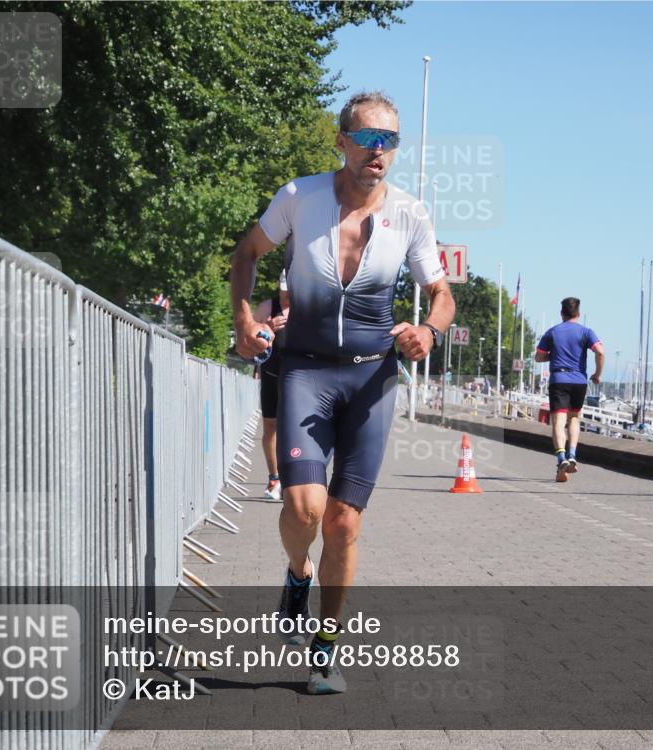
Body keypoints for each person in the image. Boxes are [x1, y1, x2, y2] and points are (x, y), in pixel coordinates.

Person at [230, 90, 454, 694]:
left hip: (371, 379)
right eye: (369, 139)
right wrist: (244, 321)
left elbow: (442, 294)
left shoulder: (409, 213)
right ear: (343, 141)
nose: (379, 152)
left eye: (390, 142)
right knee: (303, 509)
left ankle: (324, 649)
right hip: (304, 368)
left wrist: (428, 332)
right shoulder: (299, 198)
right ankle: (296, 573)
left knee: (345, 523)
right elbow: (247, 254)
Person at [535, 297, 604, 483]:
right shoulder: (586, 332)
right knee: (574, 418)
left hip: (558, 379)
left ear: (562, 313)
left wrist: (554, 356)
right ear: (578, 313)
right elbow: (600, 351)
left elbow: (538, 357)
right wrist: (597, 374)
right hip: (579, 380)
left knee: (558, 422)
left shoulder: (553, 332)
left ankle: (561, 459)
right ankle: (572, 455)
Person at [252, 271, 290, 501]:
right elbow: (251, 344)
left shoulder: (308, 307)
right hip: (272, 373)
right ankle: (274, 477)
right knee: (271, 427)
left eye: (290, 291)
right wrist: (268, 329)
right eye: (283, 290)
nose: (286, 295)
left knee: (295, 429)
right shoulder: (268, 307)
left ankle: (294, 479)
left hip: (300, 377)